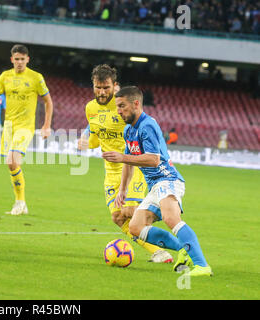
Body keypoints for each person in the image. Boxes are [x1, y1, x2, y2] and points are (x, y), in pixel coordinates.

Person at [103, 86, 213, 276]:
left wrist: (122, 157)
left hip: (167, 179)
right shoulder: (129, 130)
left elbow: (153, 159)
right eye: (117, 107)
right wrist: (123, 189)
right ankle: (183, 249)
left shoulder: (148, 125)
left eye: (122, 106)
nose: (119, 111)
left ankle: (202, 265)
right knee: (136, 227)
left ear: (136, 104)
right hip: (155, 186)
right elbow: (129, 163)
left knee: (171, 218)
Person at [78, 65, 173, 263]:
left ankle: (170, 226)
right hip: (111, 172)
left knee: (130, 212)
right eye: (98, 87)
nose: (101, 92)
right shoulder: (90, 108)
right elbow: (96, 136)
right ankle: (159, 251)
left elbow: (145, 129)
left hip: (132, 166)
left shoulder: (123, 106)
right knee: (118, 217)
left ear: (115, 86)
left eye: (106, 88)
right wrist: (86, 142)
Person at [0, 44, 53, 215]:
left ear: (28, 59)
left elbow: (48, 101)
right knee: (12, 165)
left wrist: (46, 125)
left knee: (12, 161)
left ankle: (19, 203)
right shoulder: (5, 76)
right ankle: (21, 203)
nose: (19, 62)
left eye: (22, 59)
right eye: (16, 59)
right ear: (12, 60)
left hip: (25, 126)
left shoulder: (35, 77)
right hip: (9, 127)